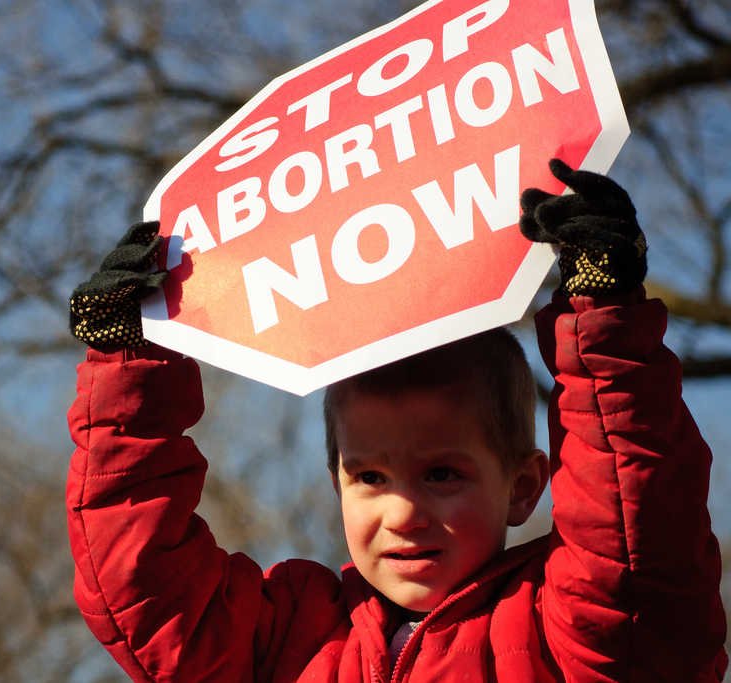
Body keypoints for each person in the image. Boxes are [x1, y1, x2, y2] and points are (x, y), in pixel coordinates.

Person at [66, 159, 728, 681]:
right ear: (335, 481)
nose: (403, 513)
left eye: (442, 473)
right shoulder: (288, 636)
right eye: (371, 476)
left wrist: (604, 317)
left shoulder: (566, 629)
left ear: (524, 485)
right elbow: (145, 588)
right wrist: (129, 356)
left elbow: (637, 546)